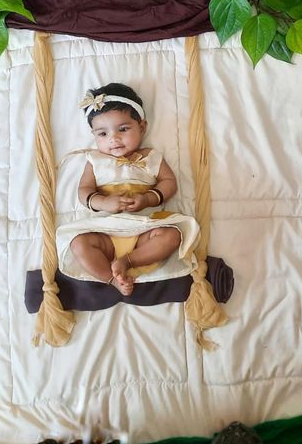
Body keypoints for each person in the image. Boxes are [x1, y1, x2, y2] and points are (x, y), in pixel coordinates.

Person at [55, 83, 199, 296]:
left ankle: (128, 261)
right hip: (106, 230)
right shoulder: (95, 160)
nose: (113, 138)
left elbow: (169, 182)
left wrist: (148, 199)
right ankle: (113, 279)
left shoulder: (150, 156)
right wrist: (104, 202)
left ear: (142, 127)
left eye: (123, 129)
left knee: (173, 236)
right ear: (93, 135)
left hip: (144, 228)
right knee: (78, 243)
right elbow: (84, 191)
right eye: (102, 134)